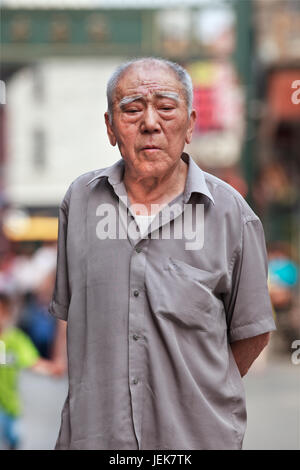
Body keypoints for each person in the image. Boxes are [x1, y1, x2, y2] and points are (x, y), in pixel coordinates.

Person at [49, 57, 276, 450]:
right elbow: (71, 313)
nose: (150, 123)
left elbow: (252, 332)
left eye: (166, 108)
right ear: (110, 128)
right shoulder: (80, 202)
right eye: (132, 109)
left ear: (190, 124)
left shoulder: (231, 214)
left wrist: (195, 396)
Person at [0, 287, 60, 450]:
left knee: (13, 438)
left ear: (7, 314)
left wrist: (51, 369)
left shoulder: (16, 340)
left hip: (10, 404)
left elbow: (32, 361)